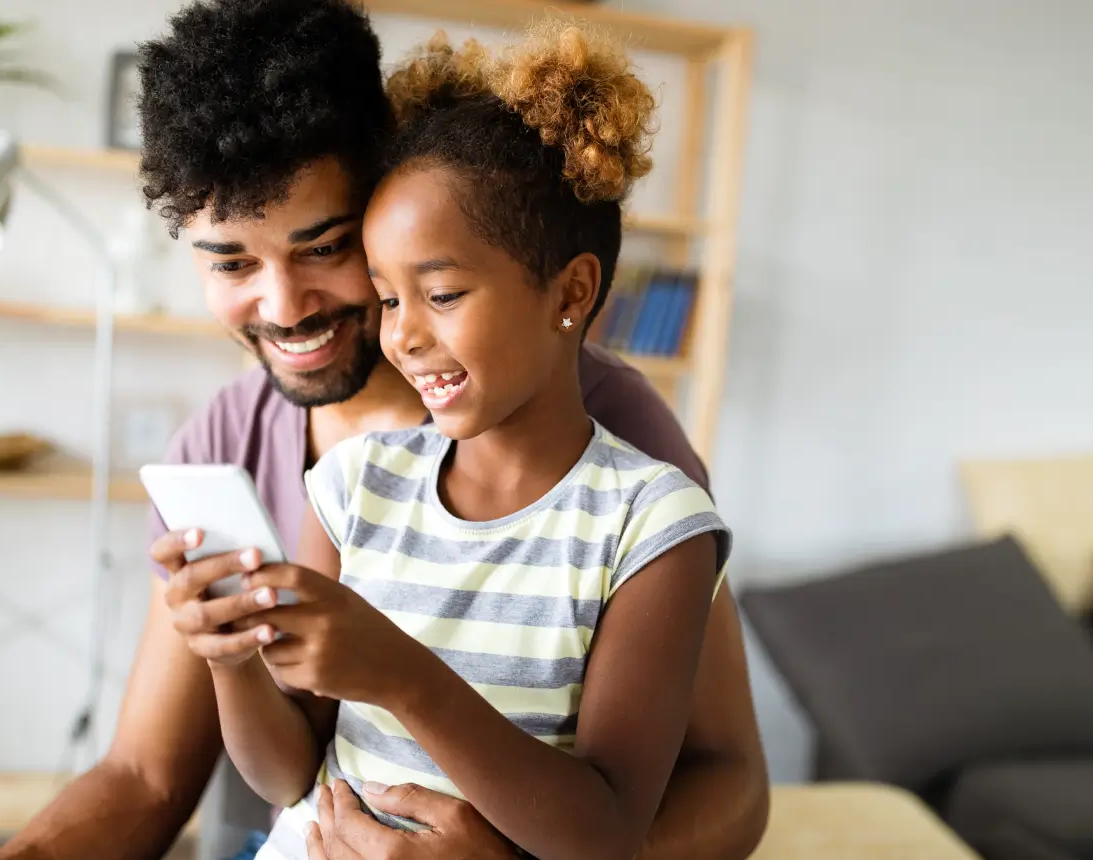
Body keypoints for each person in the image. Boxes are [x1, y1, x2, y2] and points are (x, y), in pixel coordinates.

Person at [0, 2, 768, 859]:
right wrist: (228, 656)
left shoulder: (619, 450)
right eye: (232, 262)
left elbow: (722, 784)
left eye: (323, 247)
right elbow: (152, 775)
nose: (283, 309)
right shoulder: (279, 459)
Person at [183, 23, 730, 860]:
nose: (401, 338)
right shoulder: (353, 486)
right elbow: (288, 772)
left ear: (571, 292)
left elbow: (608, 835)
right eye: (388, 299)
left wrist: (403, 678)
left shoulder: (651, 528)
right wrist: (229, 661)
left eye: (440, 294)